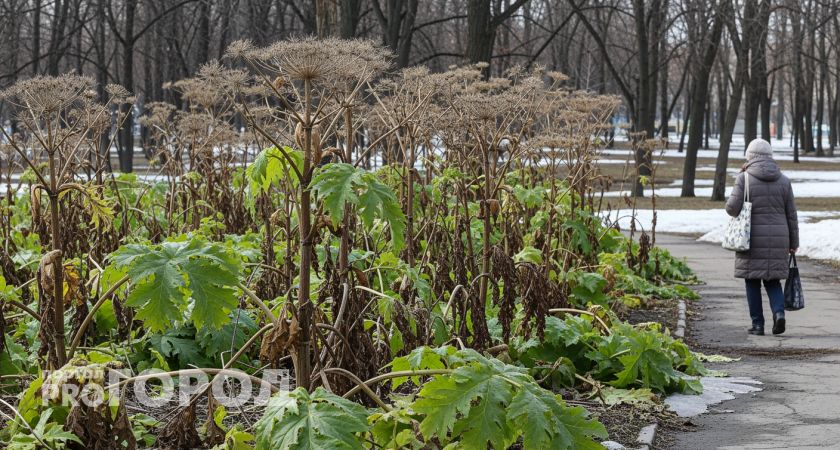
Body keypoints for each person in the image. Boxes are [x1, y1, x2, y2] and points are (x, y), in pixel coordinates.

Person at [725, 138, 798, 336]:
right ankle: (779, 313)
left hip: (751, 238)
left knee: (752, 281)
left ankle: (758, 325)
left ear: (750, 157)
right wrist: (794, 243)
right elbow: (791, 214)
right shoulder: (784, 180)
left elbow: (732, 208)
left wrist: (738, 184)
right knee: (773, 280)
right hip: (779, 238)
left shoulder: (744, 178)